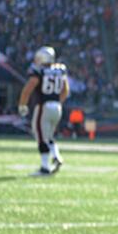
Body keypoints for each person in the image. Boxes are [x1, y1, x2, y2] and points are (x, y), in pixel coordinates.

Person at [18, 46, 69, 175]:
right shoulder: (60, 70)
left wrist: (22, 105)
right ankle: (56, 156)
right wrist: (58, 102)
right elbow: (66, 90)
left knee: (41, 136)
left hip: (43, 106)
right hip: (57, 107)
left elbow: (28, 88)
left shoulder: (38, 71)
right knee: (49, 135)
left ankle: (45, 167)